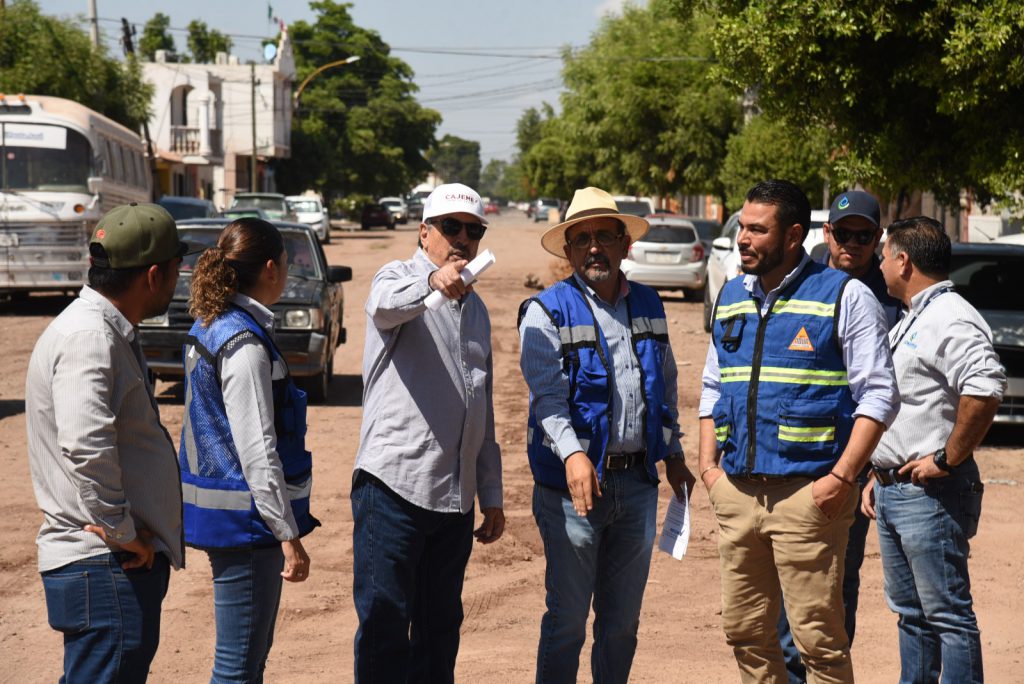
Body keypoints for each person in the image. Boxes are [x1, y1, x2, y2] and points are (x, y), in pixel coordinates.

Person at [698, 180, 899, 683]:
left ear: (792, 236)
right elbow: (710, 386)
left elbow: (879, 394)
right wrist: (708, 469)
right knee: (745, 632)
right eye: (742, 227)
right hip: (737, 493)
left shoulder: (846, 296)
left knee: (819, 642)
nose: (743, 238)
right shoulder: (731, 296)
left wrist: (841, 478)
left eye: (756, 229)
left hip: (808, 496)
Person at [518, 187, 695, 684]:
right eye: (581, 239)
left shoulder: (648, 303)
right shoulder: (546, 311)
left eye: (603, 236)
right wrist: (574, 455)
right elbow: (547, 400)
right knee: (569, 621)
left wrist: (674, 453)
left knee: (621, 625)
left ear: (624, 244)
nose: (593, 247)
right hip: (572, 492)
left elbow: (665, 383)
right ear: (568, 251)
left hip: (637, 485)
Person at [25, 202, 189, 682]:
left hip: (109, 564)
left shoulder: (104, 329)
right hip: (106, 564)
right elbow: (86, 445)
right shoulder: (89, 337)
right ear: (154, 275)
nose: (179, 280)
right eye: (177, 268)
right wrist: (122, 531)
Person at [351, 182, 504, 683]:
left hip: (454, 501)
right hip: (394, 489)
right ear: (424, 232)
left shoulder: (477, 311)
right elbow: (382, 307)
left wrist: (492, 493)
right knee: (385, 629)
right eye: (451, 227)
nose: (462, 238)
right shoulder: (397, 277)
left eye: (473, 231)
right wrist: (433, 284)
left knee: (440, 634)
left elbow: (481, 404)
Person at [864, 216, 1004, 683]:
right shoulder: (916, 316)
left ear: (903, 261)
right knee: (912, 615)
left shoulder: (950, 315)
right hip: (895, 490)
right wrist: (876, 471)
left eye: (884, 254)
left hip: (931, 494)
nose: (880, 263)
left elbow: (984, 389)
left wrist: (948, 458)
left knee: (946, 616)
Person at [179, 217, 318, 682]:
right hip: (249, 526)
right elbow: (257, 448)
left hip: (228, 518)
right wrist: (288, 534)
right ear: (272, 268)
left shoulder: (211, 323)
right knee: (239, 667)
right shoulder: (244, 343)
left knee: (244, 662)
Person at [776, 190, 902, 682]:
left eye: (863, 235)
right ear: (826, 233)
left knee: (835, 583)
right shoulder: (794, 283)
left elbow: (891, 393)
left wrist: (868, 470)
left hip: (851, 470)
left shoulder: (891, 296)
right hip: (790, 465)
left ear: (878, 238)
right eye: (842, 232)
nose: (852, 243)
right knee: (785, 585)